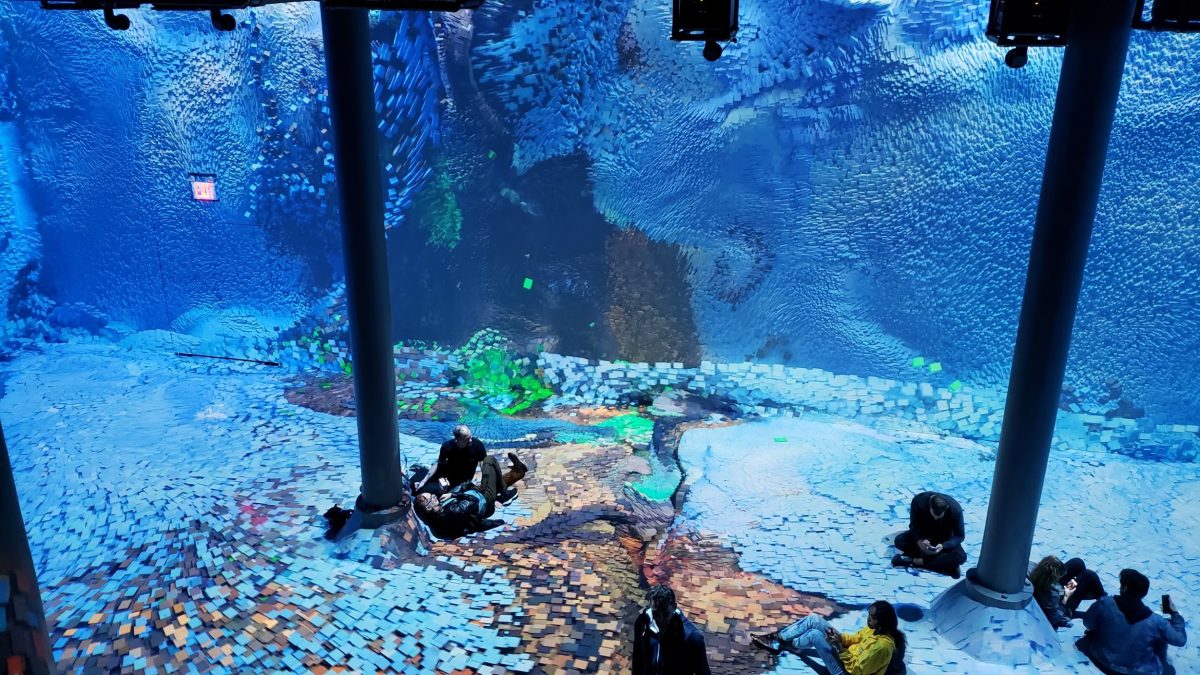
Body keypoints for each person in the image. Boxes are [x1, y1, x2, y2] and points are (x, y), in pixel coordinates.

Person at [1076, 568, 1187, 675]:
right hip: (1136, 671)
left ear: (1124, 588)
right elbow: (1180, 640)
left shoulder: (1105, 603)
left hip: (1101, 660)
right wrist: (1174, 613)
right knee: (1161, 637)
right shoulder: (1156, 621)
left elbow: (1088, 623)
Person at [751, 601, 906, 675]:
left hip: (847, 672)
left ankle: (785, 644)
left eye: (873, 618)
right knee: (814, 620)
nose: (868, 620)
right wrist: (839, 638)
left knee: (814, 635)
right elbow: (854, 638)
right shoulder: (874, 629)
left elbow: (856, 670)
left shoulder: (881, 647)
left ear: (883, 621)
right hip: (846, 656)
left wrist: (838, 646)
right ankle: (777, 638)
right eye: (869, 615)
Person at [413, 452, 527, 539]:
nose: (434, 496)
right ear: (428, 507)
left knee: (494, 483)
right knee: (489, 461)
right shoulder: (454, 511)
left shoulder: (434, 523)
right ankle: (505, 495)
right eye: (431, 498)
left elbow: (466, 527)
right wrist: (453, 495)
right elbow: (473, 501)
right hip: (483, 500)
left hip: (476, 504)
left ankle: (519, 471)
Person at [632, 585, 711, 675]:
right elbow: (637, 661)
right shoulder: (642, 624)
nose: (660, 620)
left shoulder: (692, 637)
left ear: (674, 607)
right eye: (656, 614)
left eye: (665, 614)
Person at [891, 491, 966, 578]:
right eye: (934, 515)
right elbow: (913, 526)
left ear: (947, 508)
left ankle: (914, 561)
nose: (935, 518)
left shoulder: (955, 510)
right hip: (924, 533)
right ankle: (945, 565)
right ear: (929, 506)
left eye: (939, 516)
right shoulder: (918, 502)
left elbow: (959, 535)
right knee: (900, 541)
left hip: (944, 538)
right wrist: (919, 540)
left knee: (960, 556)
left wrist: (943, 546)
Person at [1030, 556, 1072, 629]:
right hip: (1056, 603)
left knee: (1077, 562)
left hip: (1041, 588)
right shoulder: (1052, 597)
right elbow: (1054, 619)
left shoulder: (1030, 567)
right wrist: (1065, 598)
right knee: (1086, 575)